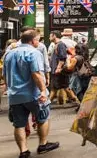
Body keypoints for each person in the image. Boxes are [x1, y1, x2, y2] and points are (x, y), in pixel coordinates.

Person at [4, 29, 60, 157]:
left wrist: (10, 89)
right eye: (38, 39)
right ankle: (43, 144)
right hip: (33, 94)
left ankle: (23, 151)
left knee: (19, 124)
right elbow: (36, 74)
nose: (39, 42)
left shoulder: (9, 54)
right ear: (33, 41)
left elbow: (5, 76)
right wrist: (42, 91)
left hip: (15, 96)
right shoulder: (34, 53)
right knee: (43, 118)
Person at [50, 30, 79, 105]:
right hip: (56, 70)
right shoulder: (57, 44)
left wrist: (58, 68)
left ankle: (45, 104)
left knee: (59, 88)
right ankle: (76, 101)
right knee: (60, 87)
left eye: (51, 35)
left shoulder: (60, 45)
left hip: (59, 71)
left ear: (54, 36)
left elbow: (62, 58)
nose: (49, 37)